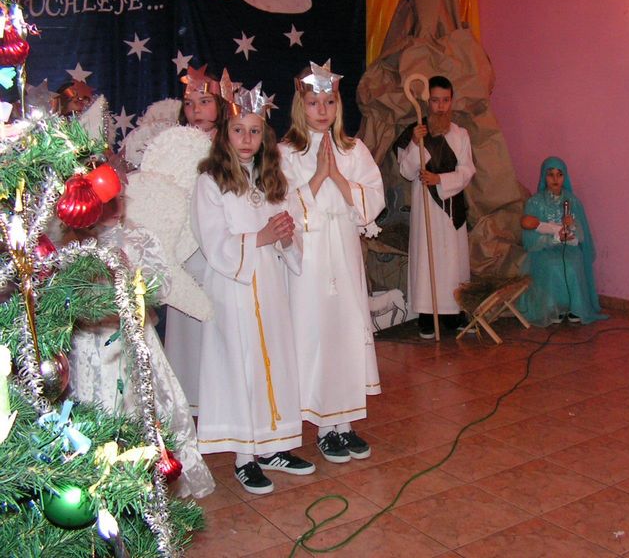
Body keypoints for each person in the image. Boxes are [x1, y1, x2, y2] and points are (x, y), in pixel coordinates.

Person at [191, 81, 313, 495]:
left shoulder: (272, 180)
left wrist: (285, 237)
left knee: (274, 361)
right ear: (225, 134)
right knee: (241, 363)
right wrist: (259, 237)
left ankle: (273, 446)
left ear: (265, 137)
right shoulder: (211, 181)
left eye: (255, 131)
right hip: (233, 286)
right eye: (238, 130)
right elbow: (212, 239)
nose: (246, 139)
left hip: (270, 284)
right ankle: (245, 456)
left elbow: (290, 232)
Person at [67, 194, 216, 499]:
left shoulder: (140, 236)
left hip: (135, 333)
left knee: (149, 399)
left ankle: (153, 470)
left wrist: (136, 279)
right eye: (105, 201)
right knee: (98, 401)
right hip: (92, 340)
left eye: (118, 198)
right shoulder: (76, 244)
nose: (115, 206)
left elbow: (162, 285)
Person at [279, 60, 384, 463]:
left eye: (329, 102)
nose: (321, 110)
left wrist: (337, 175)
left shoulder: (353, 149)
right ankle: (324, 426)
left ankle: (345, 422)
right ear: (300, 105)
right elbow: (282, 205)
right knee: (317, 333)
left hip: (343, 254)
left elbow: (373, 200)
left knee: (346, 331)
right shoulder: (287, 152)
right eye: (313, 103)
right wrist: (318, 176)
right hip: (309, 260)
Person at [395, 75, 475, 339]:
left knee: (452, 260)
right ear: (427, 101)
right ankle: (427, 315)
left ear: (451, 101)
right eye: (435, 100)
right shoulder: (416, 131)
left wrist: (439, 179)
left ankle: (454, 313)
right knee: (427, 258)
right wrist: (415, 143)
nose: (440, 106)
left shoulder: (460, 135)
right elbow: (406, 171)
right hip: (426, 207)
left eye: (445, 100)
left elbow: (467, 171)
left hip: (451, 208)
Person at [164, 65, 223, 416]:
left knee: (218, 318)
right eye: (190, 104)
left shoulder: (232, 144)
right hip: (186, 247)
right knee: (188, 322)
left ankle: (220, 395)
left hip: (220, 245)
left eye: (205, 101)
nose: (196, 110)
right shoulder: (175, 146)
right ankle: (189, 399)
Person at [517, 156, 608, 327]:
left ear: (565, 177)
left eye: (559, 174)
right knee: (552, 264)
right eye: (550, 174)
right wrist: (552, 238)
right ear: (544, 177)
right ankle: (554, 308)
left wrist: (572, 225)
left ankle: (575, 307)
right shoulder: (535, 202)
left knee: (572, 263)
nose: (555, 179)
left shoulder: (572, 201)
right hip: (543, 249)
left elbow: (582, 234)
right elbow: (529, 239)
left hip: (569, 247)